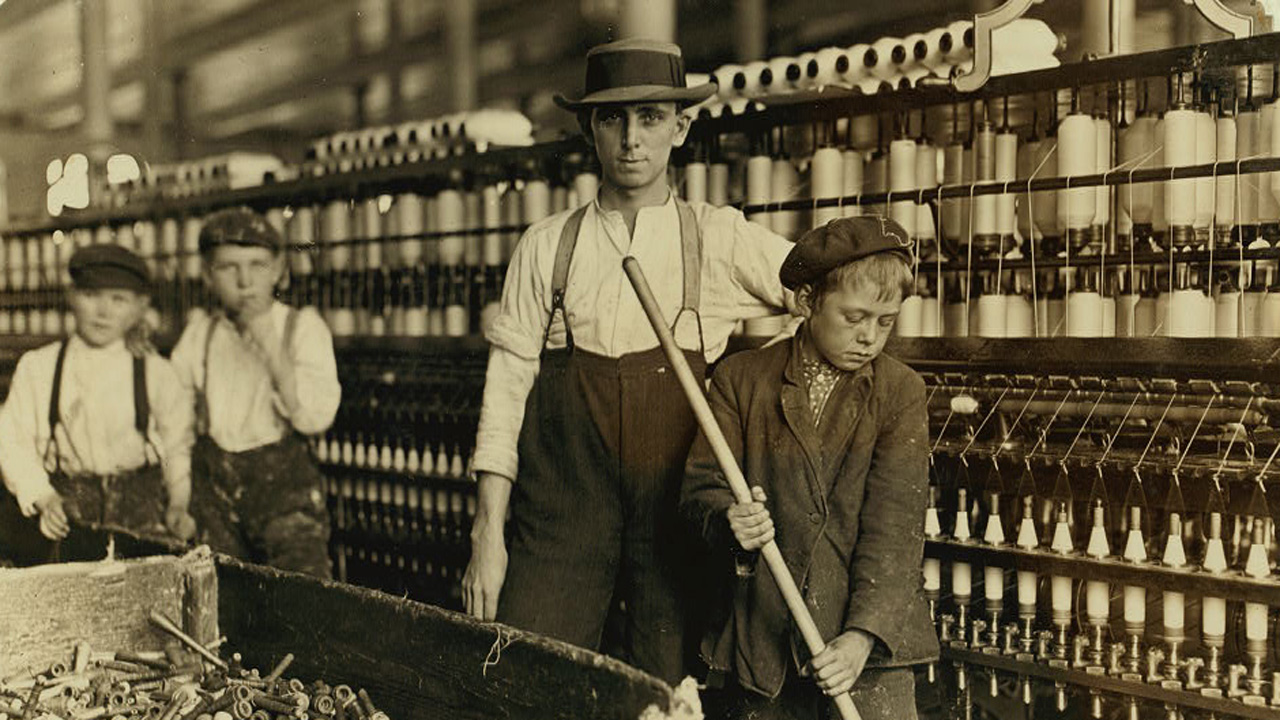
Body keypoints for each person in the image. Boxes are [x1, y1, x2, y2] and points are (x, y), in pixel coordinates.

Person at [461, 38, 797, 683]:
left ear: (681, 124)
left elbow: (825, 286)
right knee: (528, 676)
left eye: (649, 117)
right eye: (613, 118)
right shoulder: (545, 246)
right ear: (590, 127)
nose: (632, 139)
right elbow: (503, 398)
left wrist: (757, 383)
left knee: (670, 693)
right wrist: (487, 537)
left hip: (673, 525)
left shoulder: (717, 236)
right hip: (561, 521)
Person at [680, 216, 939, 719]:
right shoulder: (742, 380)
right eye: (854, 317)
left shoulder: (900, 392)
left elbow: (894, 533)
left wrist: (861, 638)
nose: (869, 336)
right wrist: (729, 522)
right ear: (806, 303)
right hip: (763, 647)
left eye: (885, 322)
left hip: (867, 651)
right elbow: (700, 491)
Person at [170, 207, 341, 578]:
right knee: (220, 601)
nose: (245, 280)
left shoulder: (302, 327)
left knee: (303, 599)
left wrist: (270, 345)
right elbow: (174, 429)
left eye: (257, 265)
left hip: (285, 499)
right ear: (207, 275)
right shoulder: (199, 336)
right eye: (228, 267)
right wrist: (179, 501)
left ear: (279, 270)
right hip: (215, 500)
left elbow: (314, 418)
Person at [0, 244, 196, 562]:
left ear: (139, 308)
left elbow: (177, 447)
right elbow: (12, 442)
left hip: (141, 512)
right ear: (71, 296)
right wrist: (43, 497)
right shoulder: (38, 367)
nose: (103, 312)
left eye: (118, 300)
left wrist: (178, 505)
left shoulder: (156, 370)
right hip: (68, 511)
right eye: (91, 296)